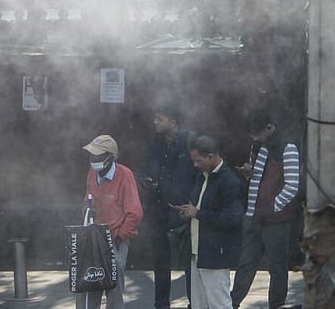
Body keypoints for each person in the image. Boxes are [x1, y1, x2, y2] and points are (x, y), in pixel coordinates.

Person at [231, 110, 301, 309]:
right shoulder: (258, 147)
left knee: (277, 267)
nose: (254, 137)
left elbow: (292, 186)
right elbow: (258, 179)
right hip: (253, 216)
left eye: (257, 133)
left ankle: (276, 305)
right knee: (245, 264)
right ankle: (231, 303)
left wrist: (272, 208)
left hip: (276, 220)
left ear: (269, 128)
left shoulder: (288, 148)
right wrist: (248, 173)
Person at [173, 135, 244, 309]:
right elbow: (198, 207)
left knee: (219, 304)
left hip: (216, 253)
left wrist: (198, 213)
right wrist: (189, 211)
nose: (195, 164)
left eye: (198, 160)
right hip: (198, 251)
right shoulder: (203, 176)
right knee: (198, 304)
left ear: (211, 157)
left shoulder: (229, 182)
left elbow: (233, 218)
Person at [140, 105, 197, 309]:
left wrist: (193, 202)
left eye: (159, 118)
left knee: (190, 263)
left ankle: (194, 302)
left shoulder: (190, 141)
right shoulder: (154, 143)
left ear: (173, 122)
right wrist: (146, 180)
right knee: (160, 262)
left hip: (183, 211)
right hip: (158, 209)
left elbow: (199, 174)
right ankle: (161, 304)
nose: (155, 122)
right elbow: (146, 167)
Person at [79, 134, 144, 309]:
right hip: (93, 239)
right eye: (91, 155)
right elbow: (88, 198)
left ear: (110, 157)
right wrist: (86, 207)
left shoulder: (125, 175)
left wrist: (118, 238)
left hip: (114, 241)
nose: (93, 159)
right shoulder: (92, 173)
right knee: (88, 286)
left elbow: (135, 213)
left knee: (114, 292)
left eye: (97, 155)